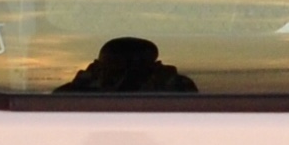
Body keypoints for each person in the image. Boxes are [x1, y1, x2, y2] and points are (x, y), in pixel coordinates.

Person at [55, 34, 200, 94]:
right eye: (116, 65)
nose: (128, 72)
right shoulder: (74, 94)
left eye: (139, 66)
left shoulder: (175, 87)